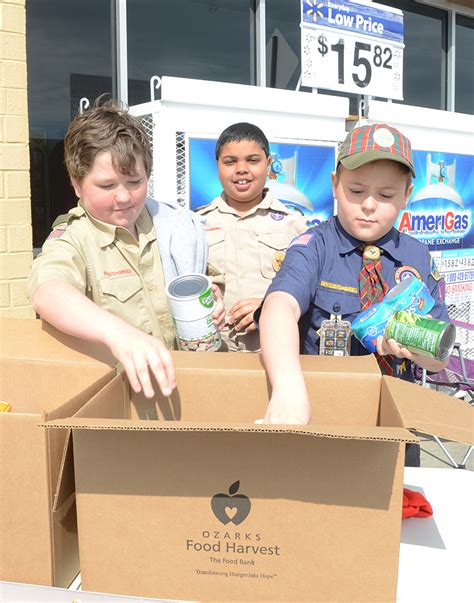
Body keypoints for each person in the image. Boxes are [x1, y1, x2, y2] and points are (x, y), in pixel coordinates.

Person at [258, 123, 450, 466]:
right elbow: (278, 308)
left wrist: (417, 349)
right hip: (324, 421)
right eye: (356, 191)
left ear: (407, 193)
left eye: (387, 196)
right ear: (334, 185)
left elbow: (439, 358)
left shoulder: (418, 259)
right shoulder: (314, 247)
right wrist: (287, 390)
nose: (369, 206)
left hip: (396, 428)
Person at [28, 99, 222, 399]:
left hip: (191, 389)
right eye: (106, 186)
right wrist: (119, 334)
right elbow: (49, 291)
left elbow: (204, 275)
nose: (124, 197)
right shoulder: (74, 238)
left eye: (135, 182)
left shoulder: (175, 224)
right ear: (77, 184)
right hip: (122, 402)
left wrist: (213, 299)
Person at [196, 122, 307, 352]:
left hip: (272, 352)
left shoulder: (294, 225)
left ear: (268, 165)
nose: (241, 169)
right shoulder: (197, 224)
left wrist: (267, 307)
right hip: (213, 354)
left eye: (253, 160)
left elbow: (310, 290)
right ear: (217, 166)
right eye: (230, 161)